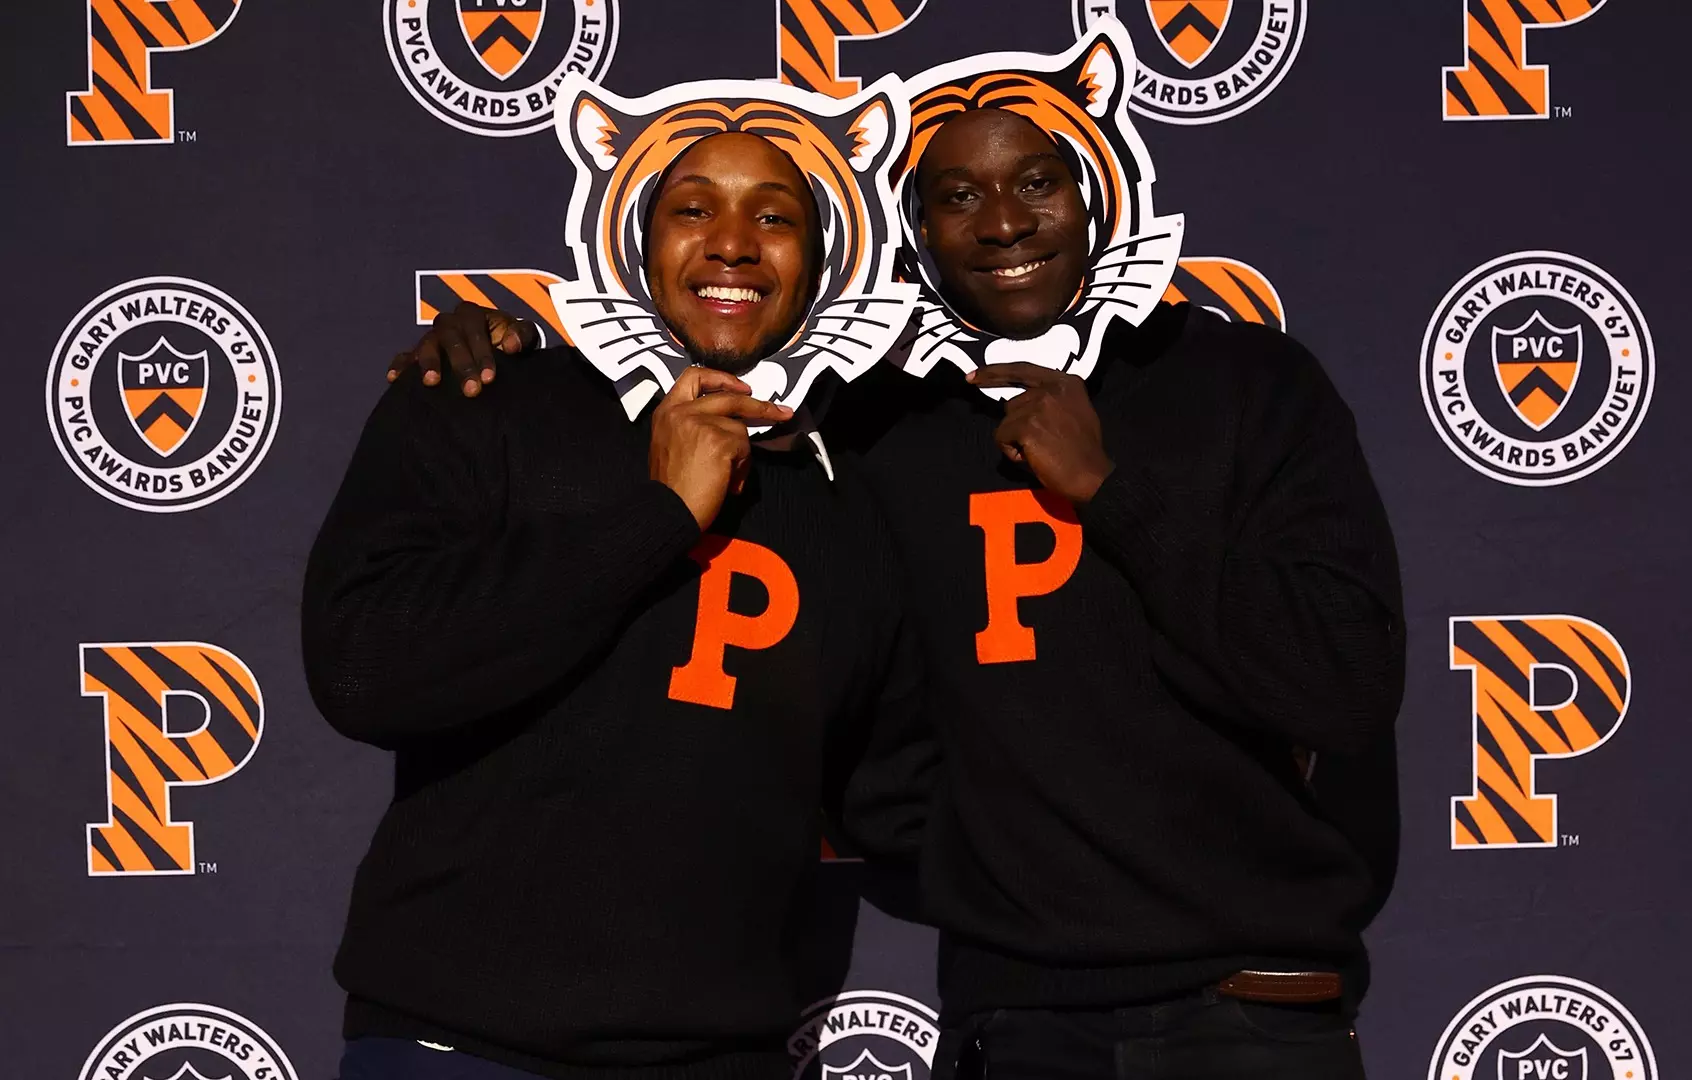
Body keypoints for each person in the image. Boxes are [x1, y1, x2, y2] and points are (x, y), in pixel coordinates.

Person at [395, 107, 1403, 1080]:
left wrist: (1109, 492)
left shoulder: (1250, 382)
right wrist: (493, 346)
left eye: (1036, 183)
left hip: (1252, 1013)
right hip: (1015, 1018)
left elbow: (1345, 682)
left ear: (1094, 200)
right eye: (958, 195)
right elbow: (874, 746)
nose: (1003, 220)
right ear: (918, 241)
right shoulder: (878, 439)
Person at [304, 130, 929, 1080]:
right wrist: (661, 515)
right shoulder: (487, 394)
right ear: (638, 246)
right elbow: (363, 671)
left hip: (718, 1055)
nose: (732, 242)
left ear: (821, 261)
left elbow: (898, 794)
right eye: (693, 209)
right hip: (460, 1043)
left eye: (774, 216)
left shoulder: (848, 491)